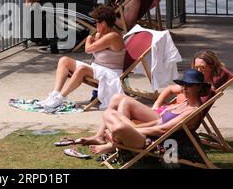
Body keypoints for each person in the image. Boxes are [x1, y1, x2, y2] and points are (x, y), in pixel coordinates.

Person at [81, 50, 224, 147]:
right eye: (196, 67)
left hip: (167, 124)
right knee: (111, 108)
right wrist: (157, 104)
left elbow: (166, 127)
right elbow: (168, 92)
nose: (198, 70)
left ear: (211, 68)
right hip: (164, 114)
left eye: (202, 68)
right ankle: (104, 136)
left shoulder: (202, 92)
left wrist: (134, 129)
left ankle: (115, 142)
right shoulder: (189, 87)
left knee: (121, 113)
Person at [81, 69, 211, 154]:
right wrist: (132, 127)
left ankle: (114, 144)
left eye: (189, 85)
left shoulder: (193, 111)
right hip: (144, 134)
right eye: (183, 85)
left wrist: (132, 130)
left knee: (119, 127)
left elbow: (162, 130)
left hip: (150, 141)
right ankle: (115, 141)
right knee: (108, 113)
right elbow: (157, 121)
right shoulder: (184, 102)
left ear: (199, 87)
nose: (184, 88)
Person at [39, 5, 126, 109]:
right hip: (99, 69)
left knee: (82, 69)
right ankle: (55, 94)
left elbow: (88, 49)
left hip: (111, 73)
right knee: (64, 60)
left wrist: (89, 38)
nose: (95, 25)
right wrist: (97, 37)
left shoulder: (113, 36)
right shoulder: (104, 34)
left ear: (103, 23)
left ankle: (61, 98)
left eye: (96, 22)